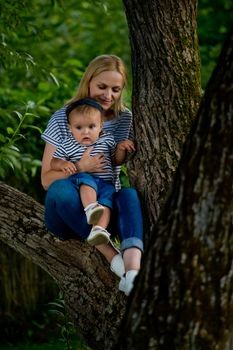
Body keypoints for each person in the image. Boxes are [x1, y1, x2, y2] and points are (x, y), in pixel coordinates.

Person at [41, 54, 144, 296]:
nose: (108, 95)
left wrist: (122, 150)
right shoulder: (64, 117)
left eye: (115, 89)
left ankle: (132, 272)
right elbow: (46, 180)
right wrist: (80, 167)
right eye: (102, 86)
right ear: (88, 82)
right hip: (68, 210)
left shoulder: (124, 118)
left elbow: (116, 160)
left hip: (105, 201)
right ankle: (111, 255)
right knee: (61, 189)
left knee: (128, 195)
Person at [50, 97, 135, 247]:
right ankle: (90, 208)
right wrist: (63, 163)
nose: (86, 132)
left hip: (106, 184)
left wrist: (121, 148)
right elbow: (53, 161)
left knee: (107, 202)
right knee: (85, 178)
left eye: (91, 126)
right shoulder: (68, 143)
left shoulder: (107, 140)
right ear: (70, 129)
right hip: (83, 181)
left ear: (101, 126)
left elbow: (116, 160)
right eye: (79, 128)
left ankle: (99, 229)